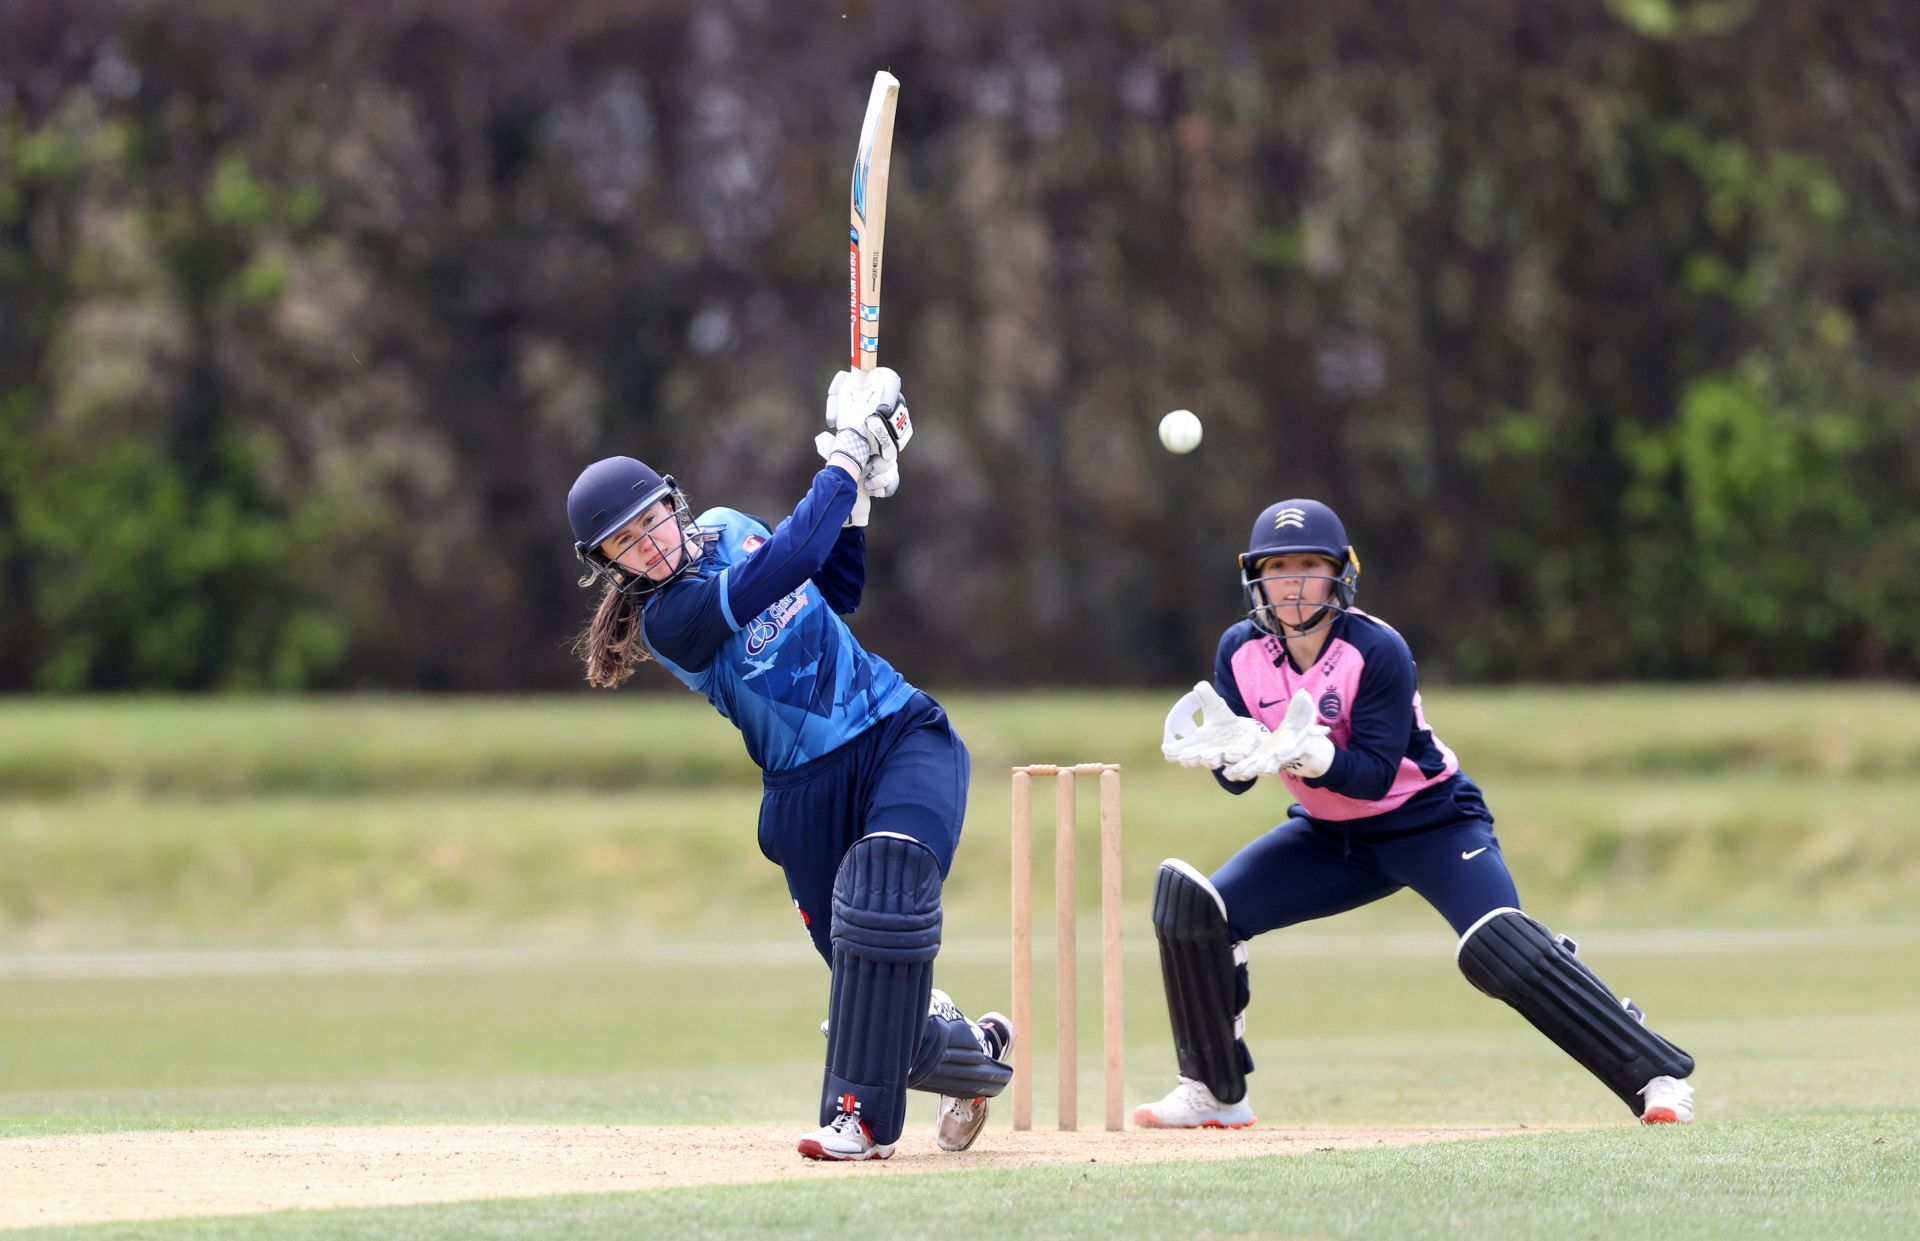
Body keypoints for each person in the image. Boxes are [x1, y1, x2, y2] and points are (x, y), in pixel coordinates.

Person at [566, 368, 1013, 1162]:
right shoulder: (672, 619)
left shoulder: (733, 525)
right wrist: (845, 459)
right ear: (613, 566)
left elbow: (834, 583)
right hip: (804, 794)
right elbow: (795, 552)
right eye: (626, 544)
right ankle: (971, 1054)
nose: (650, 544)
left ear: (673, 503)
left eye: (651, 521)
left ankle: (859, 1121)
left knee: (888, 890)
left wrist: (863, 496)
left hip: (897, 731)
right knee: (876, 999)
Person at [1140, 498, 1695, 1128]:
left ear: (1339, 573)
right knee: (1198, 911)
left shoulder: (1377, 649)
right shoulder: (1239, 651)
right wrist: (1231, 756)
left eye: (1308, 565)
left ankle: (1655, 1073)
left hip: (1432, 820)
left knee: (1498, 947)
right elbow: (1238, 776)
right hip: (1329, 836)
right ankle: (1214, 1091)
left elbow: (1375, 775)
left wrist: (1315, 756)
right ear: (1256, 578)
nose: (1292, 583)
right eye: (1278, 567)